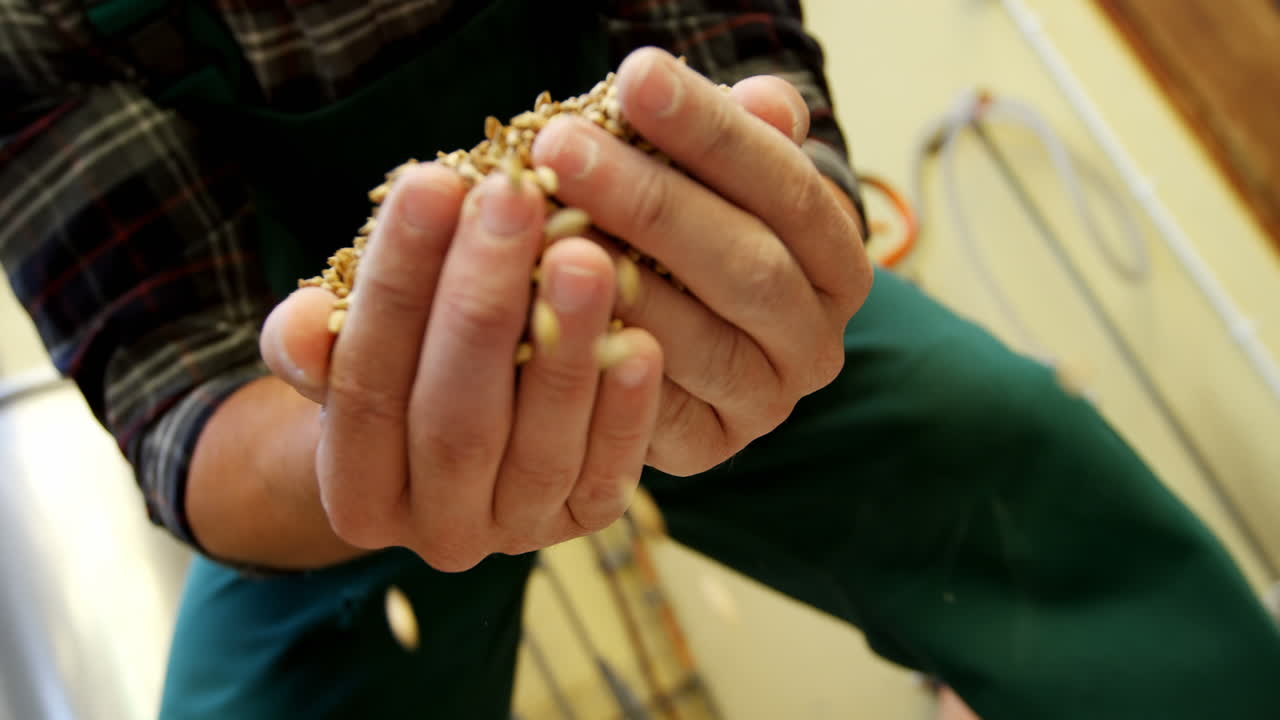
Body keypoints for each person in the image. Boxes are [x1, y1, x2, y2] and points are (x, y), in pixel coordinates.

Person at [2, 1, 1278, 718]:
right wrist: (368, 439)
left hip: (693, 278)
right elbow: (187, 403)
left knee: (1017, 462)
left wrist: (793, 225)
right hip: (331, 436)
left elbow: (746, 87)